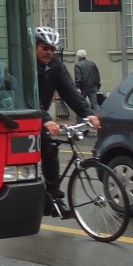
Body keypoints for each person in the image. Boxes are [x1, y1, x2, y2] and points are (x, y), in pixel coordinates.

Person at [35, 26, 100, 216]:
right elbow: (28, 97)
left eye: (53, 49)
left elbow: (70, 92)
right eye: (45, 47)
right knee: (30, 152)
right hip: (23, 114)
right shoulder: (25, 65)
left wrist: (88, 114)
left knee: (51, 149)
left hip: (41, 115)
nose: (49, 52)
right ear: (35, 46)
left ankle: (53, 197)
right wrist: (46, 119)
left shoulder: (55, 65)